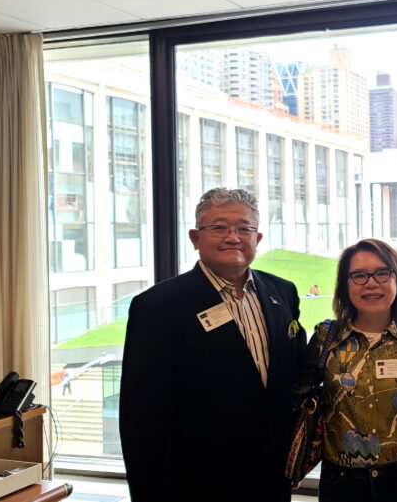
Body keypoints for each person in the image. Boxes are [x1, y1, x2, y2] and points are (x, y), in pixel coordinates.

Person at [120, 188, 306, 501]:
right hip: (198, 485)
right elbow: (142, 418)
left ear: (257, 239)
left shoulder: (282, 293)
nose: (233, 237)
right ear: (195, 238)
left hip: (272, 481)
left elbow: (293, 378)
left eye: (244, 228)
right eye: (219, 227)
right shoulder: (157, 306)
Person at [296, 238, 397, 502]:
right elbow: (296, 399)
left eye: (382, 273)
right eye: (359, 275)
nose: (371, 283)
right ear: (345, 284)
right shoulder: (327, 337)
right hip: (340, 482)